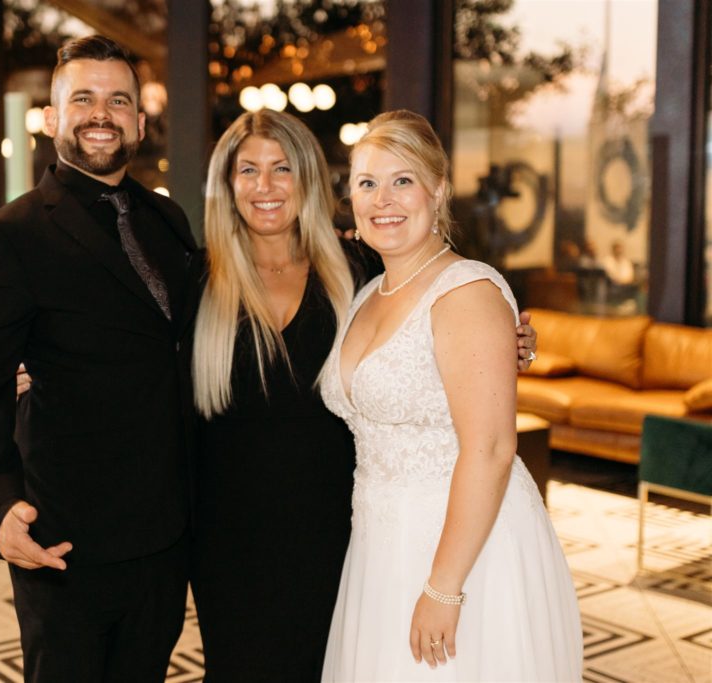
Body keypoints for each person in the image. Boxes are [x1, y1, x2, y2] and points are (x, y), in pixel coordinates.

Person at [187, 109, 539, 682]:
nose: (265, 185)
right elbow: (134, 374)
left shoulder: (356, 269)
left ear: (310, 180)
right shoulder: (194, 282)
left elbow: (441, 321)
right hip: (231, 540)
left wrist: (507, 344)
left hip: (338, 534)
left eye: (282, 168)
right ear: (225, 184)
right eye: (247, 169)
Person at [0, 35, 199, 683]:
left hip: (165, 533)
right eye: (83, 98)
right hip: (65, 536)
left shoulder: (169, 221)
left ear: (139, 121)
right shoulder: (7, 236)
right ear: (51, 117)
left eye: (119, 100)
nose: (101, 114)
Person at [319, 110, 582, 681]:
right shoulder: (368, 292)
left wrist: (444, 588)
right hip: (379, 543)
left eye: (403, 180)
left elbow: (491, 448)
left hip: (462, 550)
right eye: (367, 183)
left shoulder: (467, 291)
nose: (383, 199)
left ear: (438, 190)